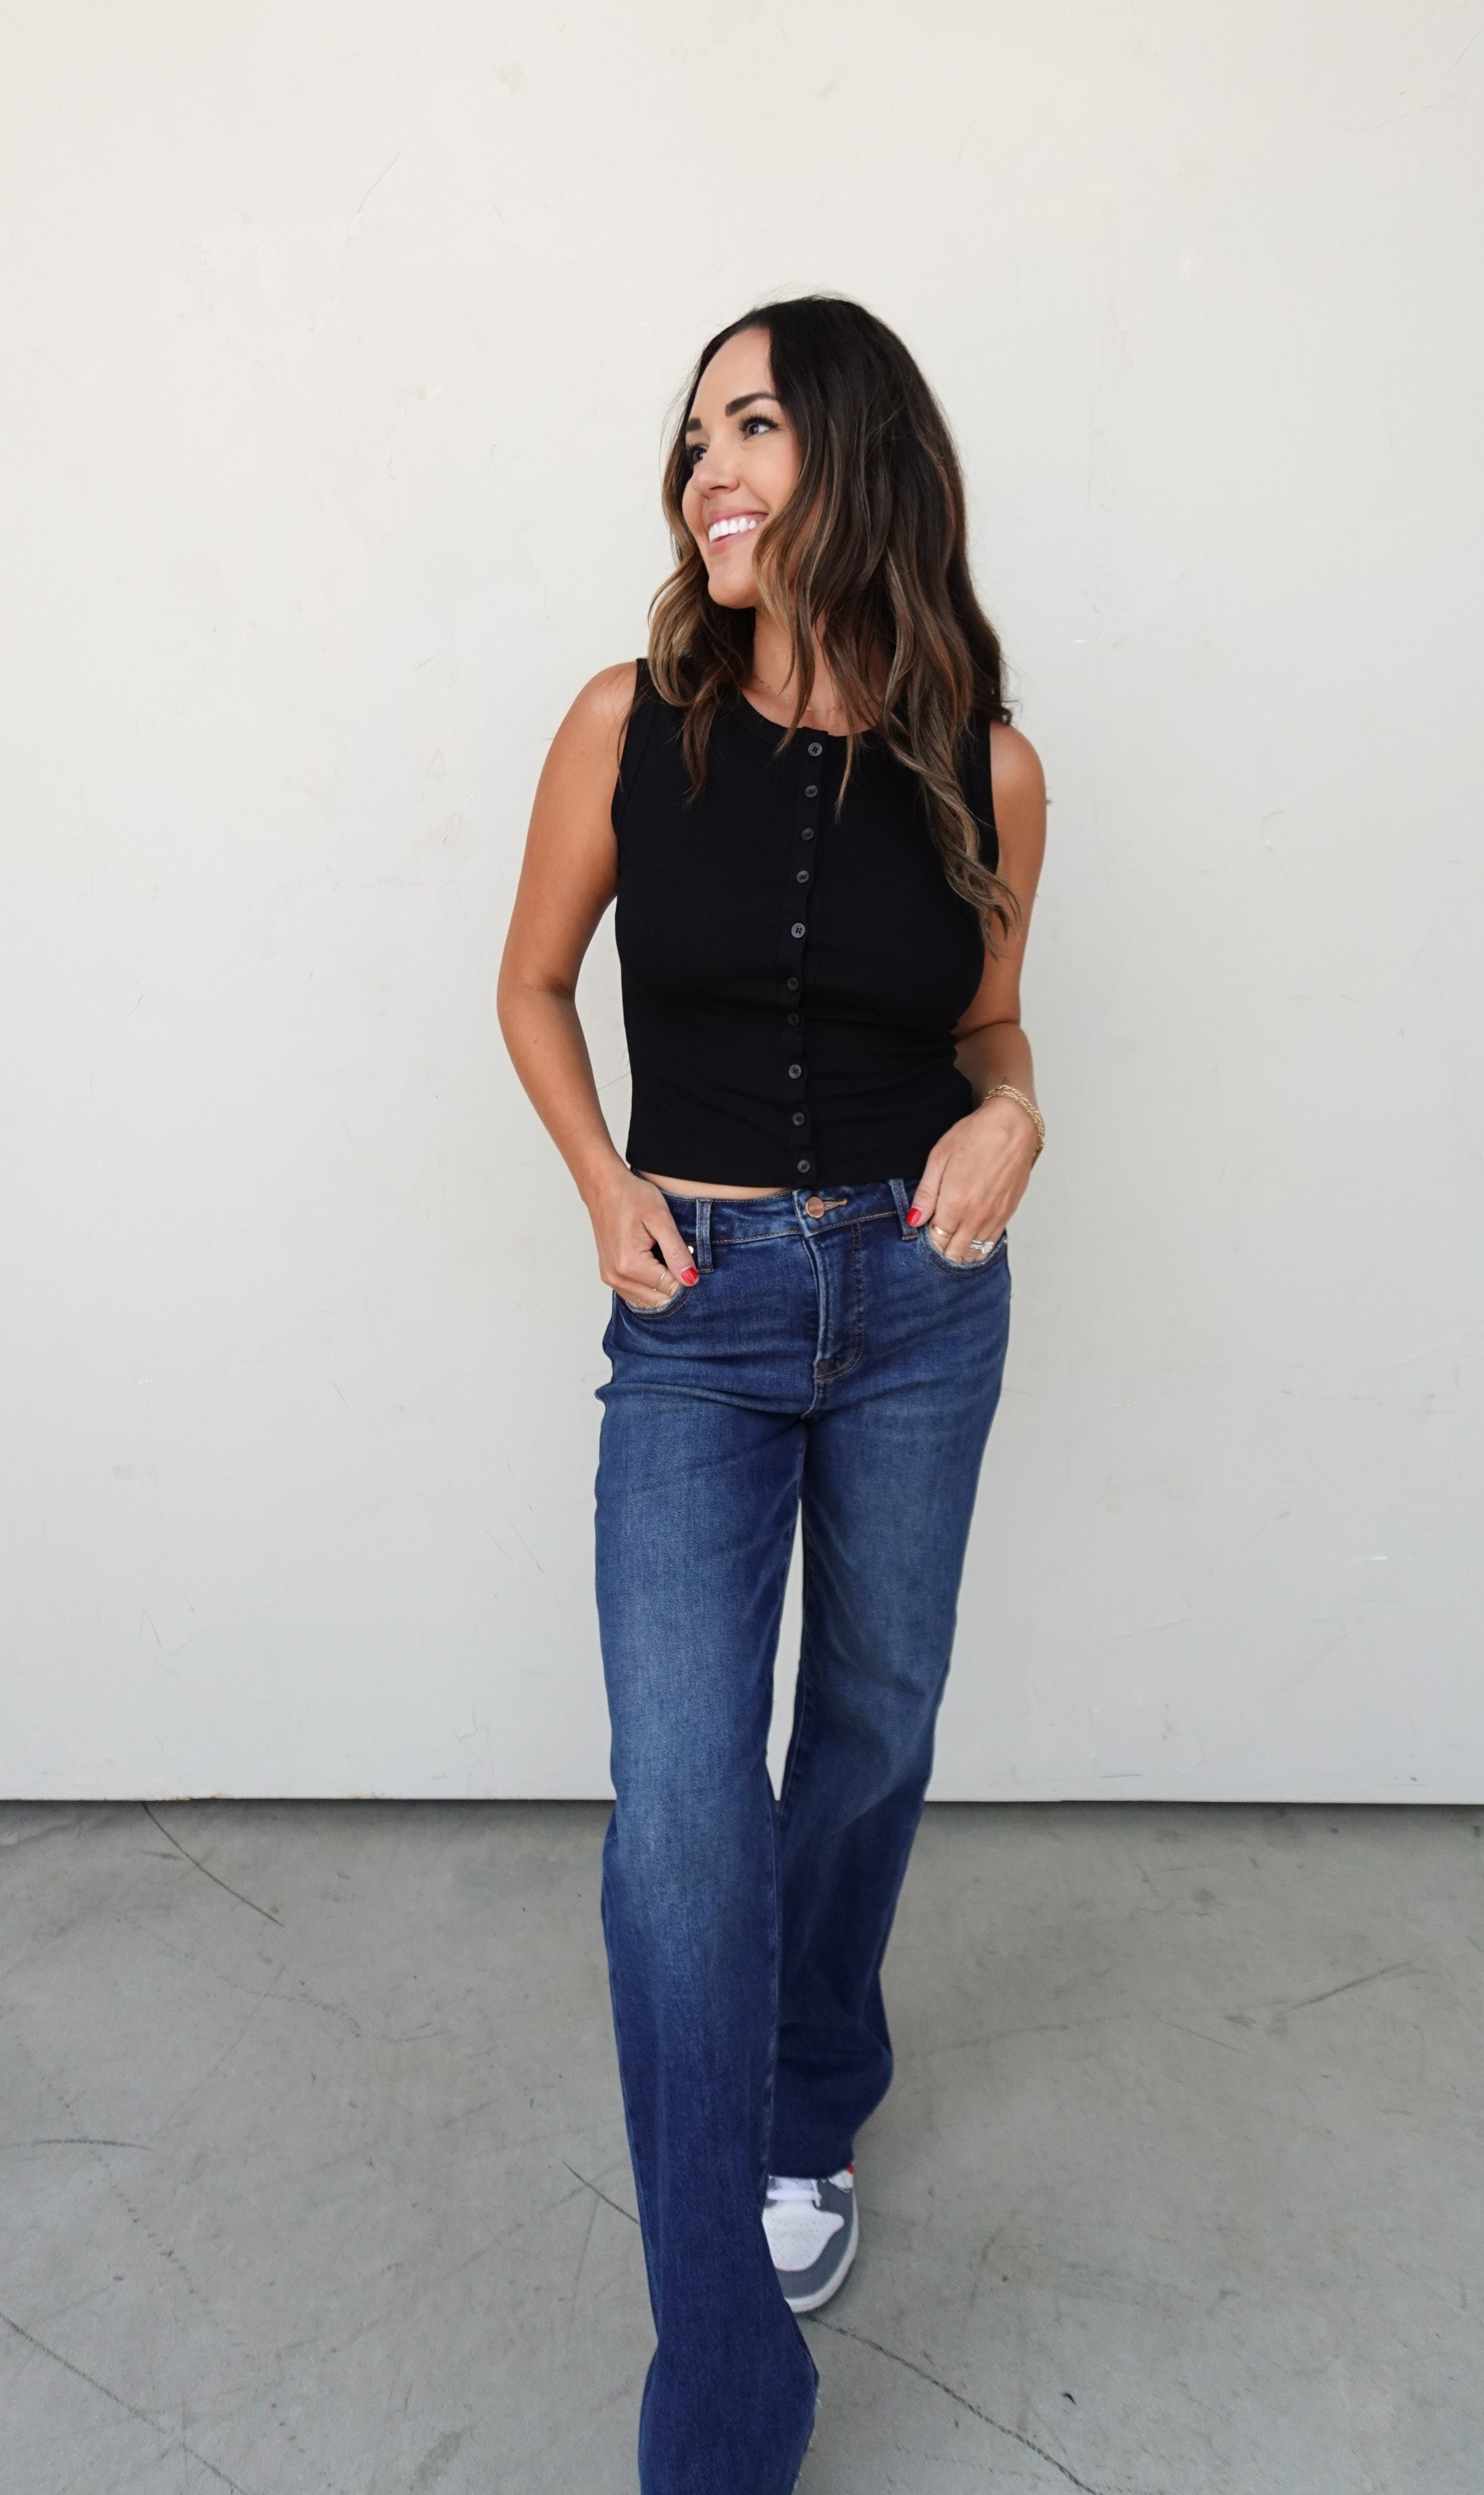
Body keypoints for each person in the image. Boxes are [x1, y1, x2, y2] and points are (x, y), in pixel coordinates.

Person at [497, 295, 1047, 2495]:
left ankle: (812, 2092)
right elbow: (533, 983)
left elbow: (991, 1034)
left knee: (873, 1732)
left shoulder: (987, 760)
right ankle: (722, 2402)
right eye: (693, 435)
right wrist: (602, 1181)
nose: (705, 468)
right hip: (698, 1310)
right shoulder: (624, 723)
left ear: (857, 453)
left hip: (918, 1300)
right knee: (679, 1823)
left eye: (751, 425)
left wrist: (1017, 1118)